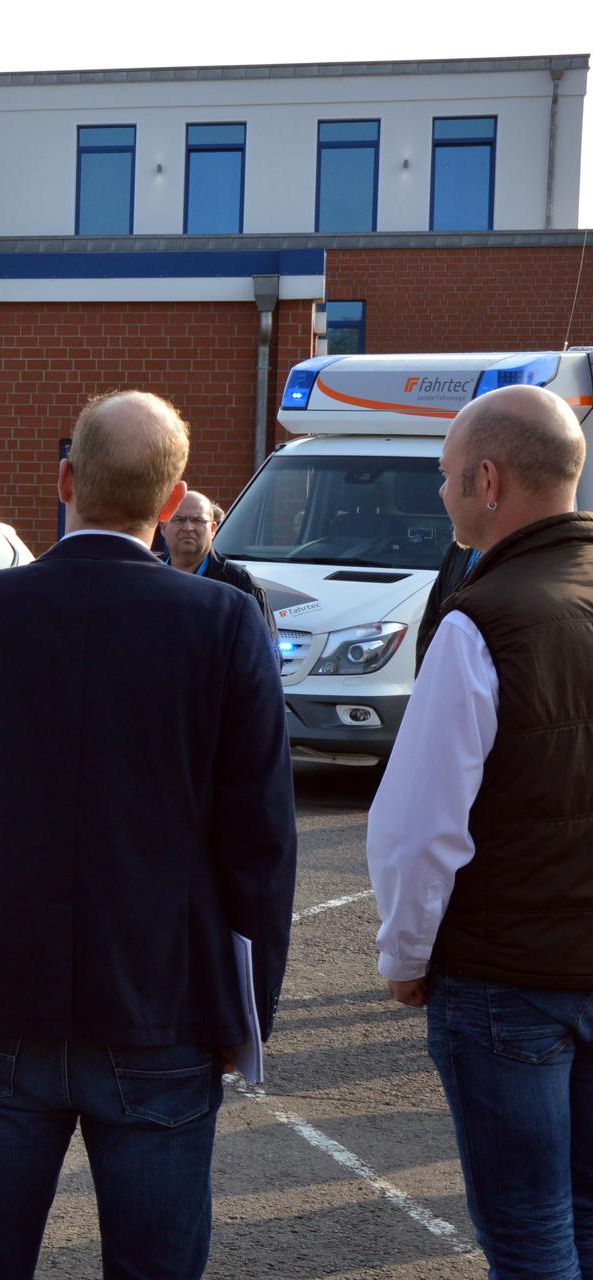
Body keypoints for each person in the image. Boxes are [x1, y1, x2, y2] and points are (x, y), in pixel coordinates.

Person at [0, 390, 297, 1279]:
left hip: (6, 992)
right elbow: (261, 844)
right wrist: (246, 1012)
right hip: (163, 1004)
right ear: (173, 500)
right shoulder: (222, 622)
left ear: (65, 481)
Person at [365, 383, 593, 1276]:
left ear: (488, 481)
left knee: (530, 1229)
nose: (442, 491)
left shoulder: (481, 621)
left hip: (506, 978)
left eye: (447, 473)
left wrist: (405, 954)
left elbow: (419, 826)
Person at [161, 488, 272, 624]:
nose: (188, 528)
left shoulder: (241, 585)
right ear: (163, 528)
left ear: (213, 529)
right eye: (178, 519)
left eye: (198, 520)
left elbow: (262, 637)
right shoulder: (147, 577)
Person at [413, 538, 478, 671]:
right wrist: (423, 670)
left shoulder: (514, 557)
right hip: (444, 671)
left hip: (474, 674)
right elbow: (432, 617)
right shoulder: (459, 548)